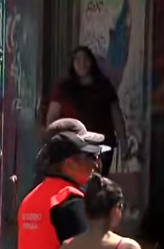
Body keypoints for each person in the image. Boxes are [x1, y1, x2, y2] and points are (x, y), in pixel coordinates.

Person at [46, 47, 127, 175]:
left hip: (101, 147)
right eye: (78, 60)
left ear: (92, 62)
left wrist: (123, 141)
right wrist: (52, 141)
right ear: (72, 64)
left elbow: (116, 115)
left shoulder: (104, 87)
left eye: (85, 59)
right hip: (72, 148)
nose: (82, 63)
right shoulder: (63, 88)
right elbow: (52, 117)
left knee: (96, 183)